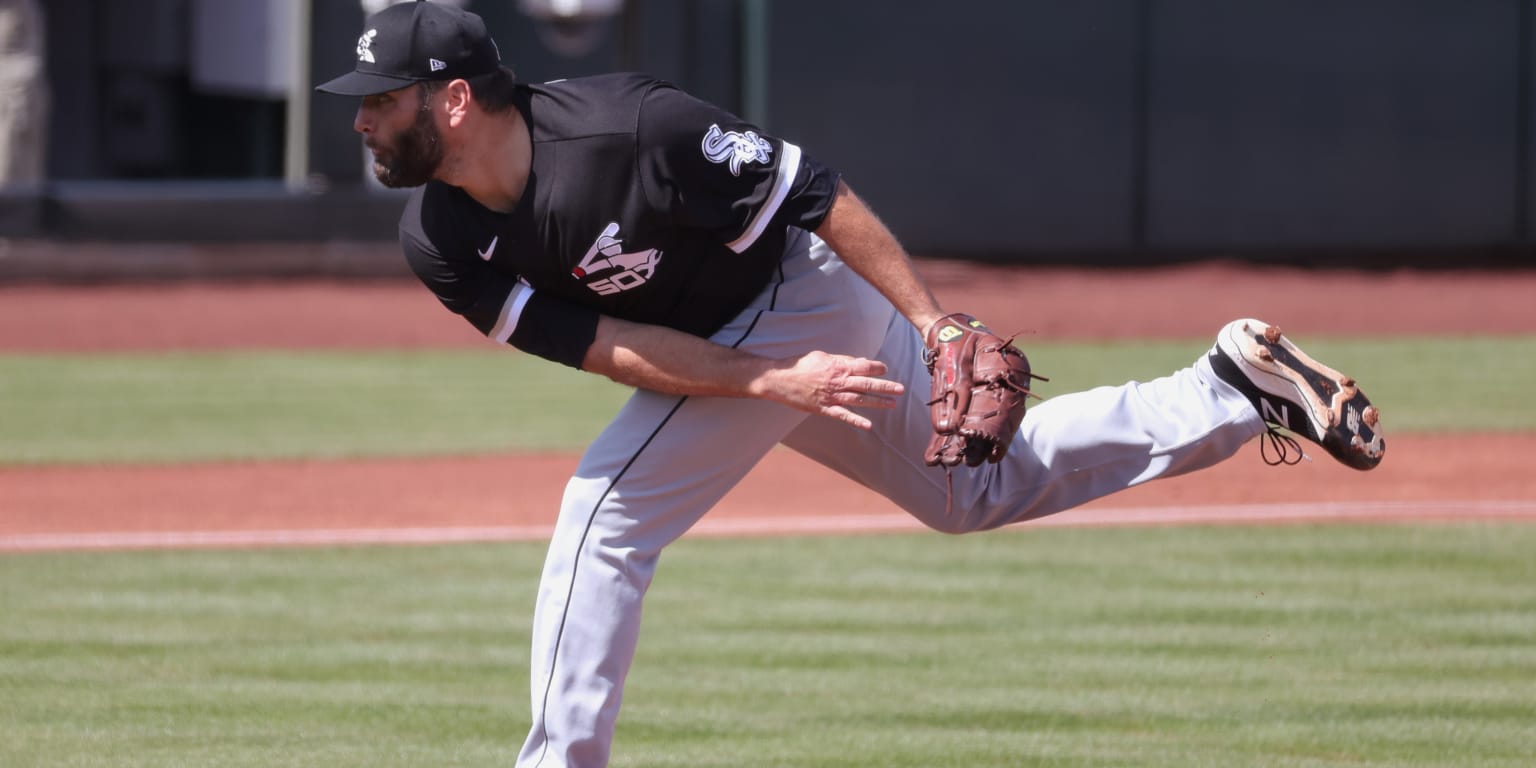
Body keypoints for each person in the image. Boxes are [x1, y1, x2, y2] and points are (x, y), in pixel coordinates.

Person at [317, 2, 1385, 765]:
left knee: (604, 517)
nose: (361, 119)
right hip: (739, 341)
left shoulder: (635, 129)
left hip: (803, 287)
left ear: (454, 101)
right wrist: (769, 381)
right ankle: (1230, 390)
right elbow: (604, 347)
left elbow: (814, 192)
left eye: (381, 99)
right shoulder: (441, 236)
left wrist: (931, 325)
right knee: (972, 494)